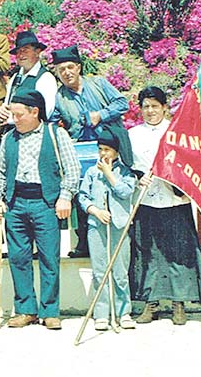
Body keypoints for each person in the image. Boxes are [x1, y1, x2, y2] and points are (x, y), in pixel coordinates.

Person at [0, 89, 80, 330]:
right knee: (18, 258)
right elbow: (0, 171)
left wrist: (65, 197)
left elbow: (72, 169)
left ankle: (50, 311)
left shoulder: (55, 134)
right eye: (13, 115)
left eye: (19, 115)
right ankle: (25, 309)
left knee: (49, 258)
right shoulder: (9, 137)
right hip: (16, 202)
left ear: (35, 112)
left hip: (45, 203)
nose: (14, 119)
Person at [129, 86, 201, 326]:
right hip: (146, 199)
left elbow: (193, 162)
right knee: (148, 253)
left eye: (155, 106)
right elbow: (127, 165)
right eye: (146, 106)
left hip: (174, 201)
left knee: (178, 253)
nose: (150, 111)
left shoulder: (177, 132)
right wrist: (137, 176)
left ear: (165, 107)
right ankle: (150, 304)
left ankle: (178, 304)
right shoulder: (133, 134)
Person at [50, 44, 130, 258]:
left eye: (70, 67)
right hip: (83, 153)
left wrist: (101, 115)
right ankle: (84, 242)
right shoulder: (59, 97)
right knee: (82, 194)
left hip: (112, 150)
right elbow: (52, 121)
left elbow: (123, 103)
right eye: (61, 70)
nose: (66, 73)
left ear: (78, 67)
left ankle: (120, 239)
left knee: (114, 191)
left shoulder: (98, 84)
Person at [78, 130, 137, 331]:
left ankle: (124, 312)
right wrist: (95, 211)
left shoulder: (126, 172)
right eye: (100, 149)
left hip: (119, 226)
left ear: (116, 151)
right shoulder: (91, 173)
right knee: (99, 271)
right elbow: (83, 197)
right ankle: (101, 313)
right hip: (97, 227)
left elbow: (125, 191)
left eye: (108, 150)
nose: (103, 154)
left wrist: (110, 174)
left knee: (120, 271)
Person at [0, 30, 57, 128]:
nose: (21, 55)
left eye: (25, 50)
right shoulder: (15, 77)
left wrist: (11, 119)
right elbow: (7, 105)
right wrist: (2, 112)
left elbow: (45, 113)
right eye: (18, 51)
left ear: (37, 52)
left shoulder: (46, 79)